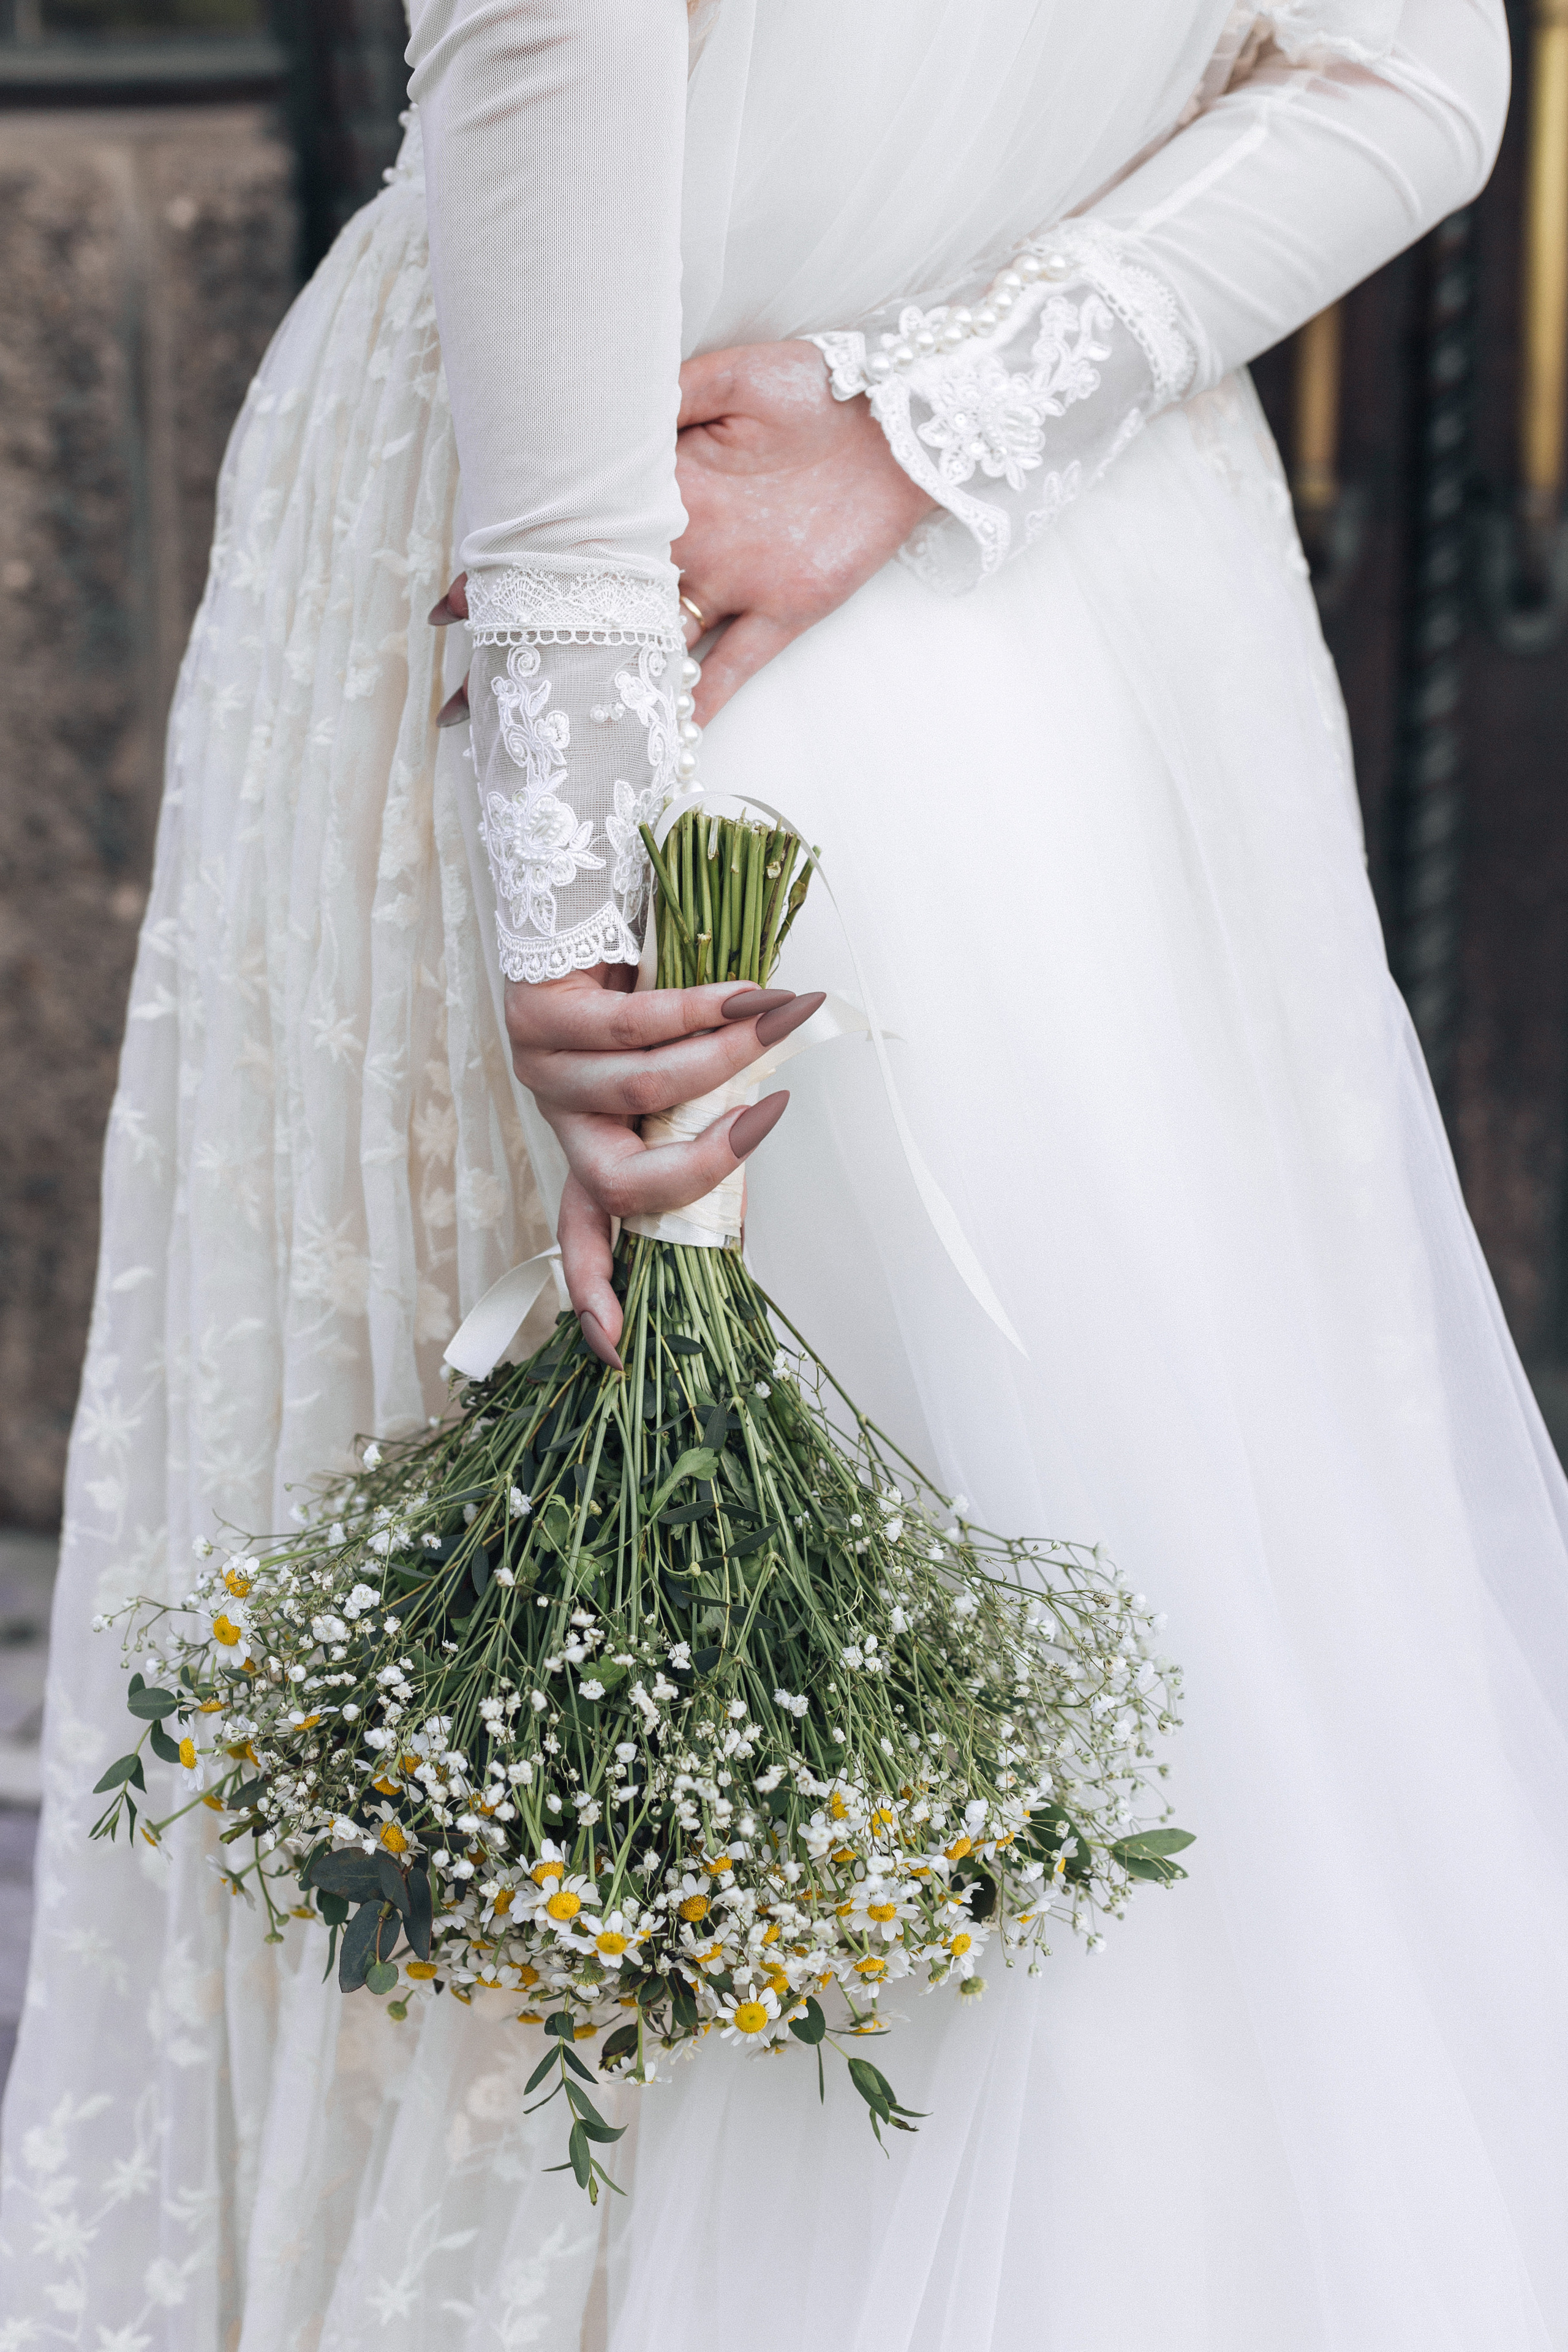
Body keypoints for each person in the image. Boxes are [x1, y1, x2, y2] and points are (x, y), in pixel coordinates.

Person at [4, 3, 1563, 2346]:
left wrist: (580, 922)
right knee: (1128, 1611)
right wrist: (939, 419)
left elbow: (557, 60)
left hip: (621, 586)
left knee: (644, 1690)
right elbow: (1411, 76)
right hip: (1077, 605)